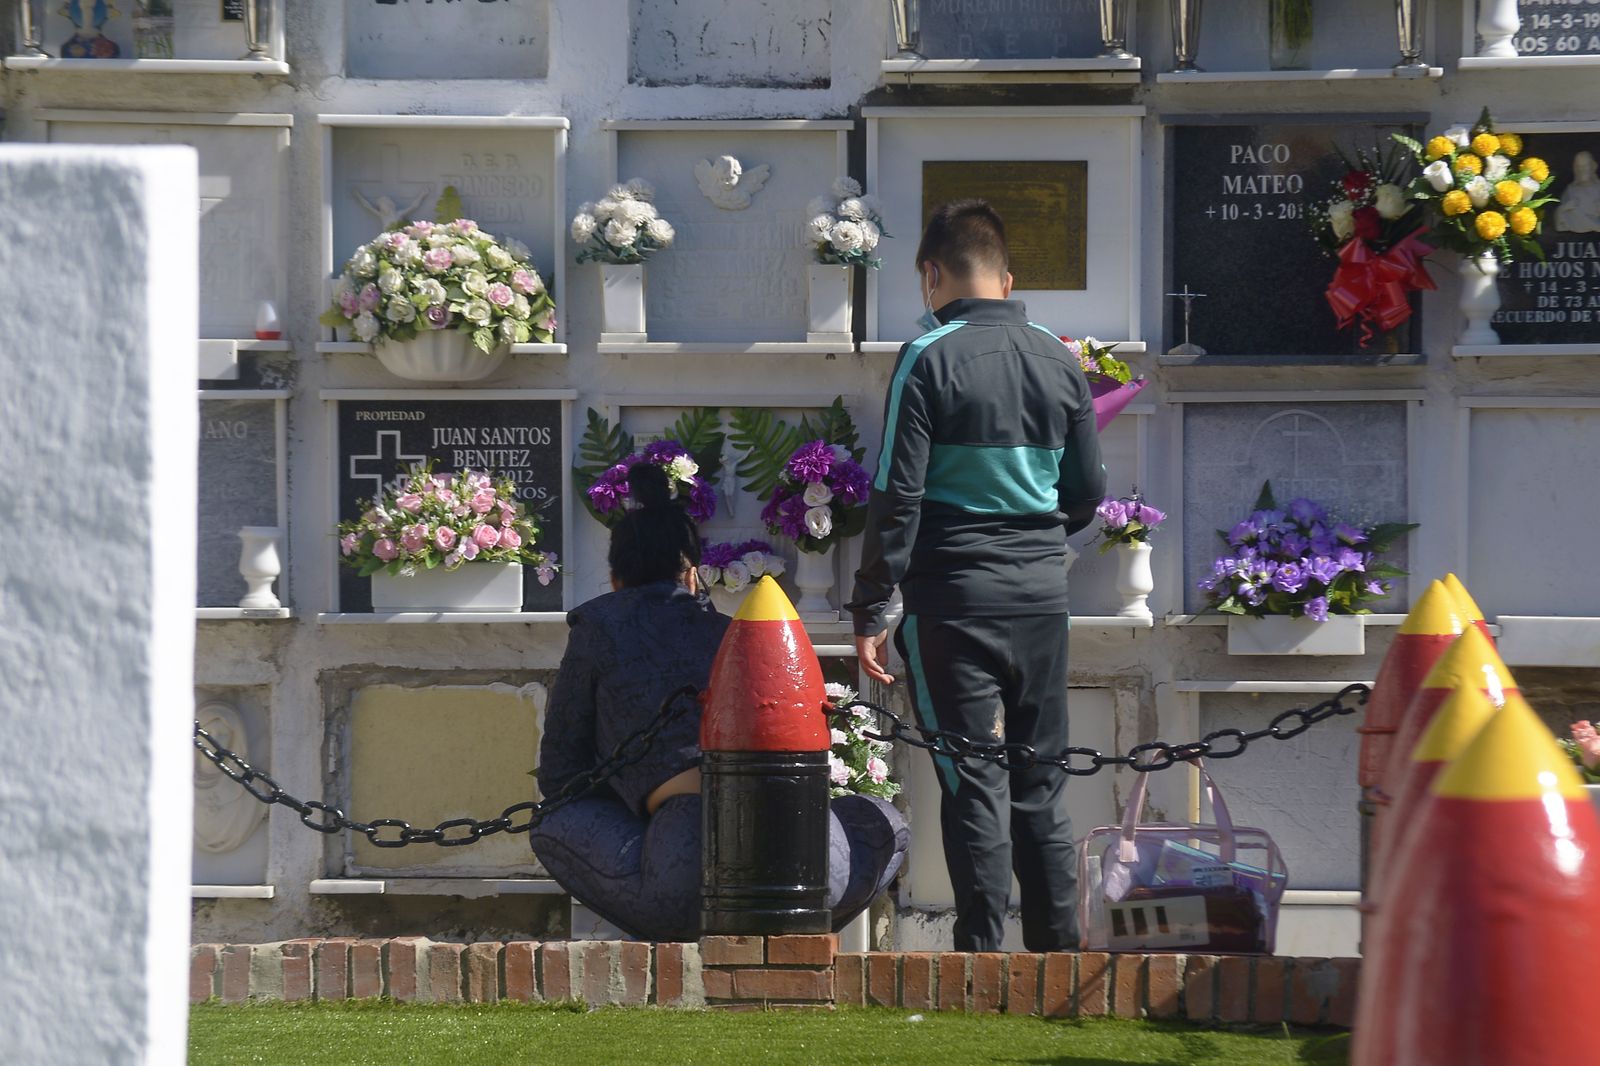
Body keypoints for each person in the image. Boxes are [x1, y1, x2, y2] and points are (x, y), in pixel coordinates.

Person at [846, 199, 1105, 953]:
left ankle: (981, 958)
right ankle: (1058, 955)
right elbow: (1088, 493)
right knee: (1042, 785)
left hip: (953, 601)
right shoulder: (1060, 358)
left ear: (933, 274)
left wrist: (872, 608)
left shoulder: (928, 356)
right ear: (1006, 277)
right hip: (1039, 600)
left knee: (973, 782)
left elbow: (898, 496)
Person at [533, 463, 907, 941]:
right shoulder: (729, 631)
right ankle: (789, 945)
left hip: (682, 876)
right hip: (810, 866)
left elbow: (561, 775)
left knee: (552, 821)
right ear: (691, 576)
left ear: (614, 578)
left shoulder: (598, 628)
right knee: (886, 822)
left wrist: (633, 789)